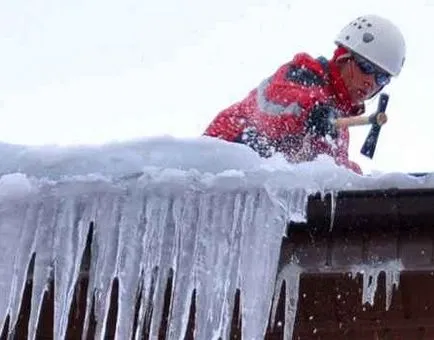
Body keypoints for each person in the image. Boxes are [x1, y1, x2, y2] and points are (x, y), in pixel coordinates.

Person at [203, 14, 406, 174]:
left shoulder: (337, 123)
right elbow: (273, 105)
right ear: (344, 57)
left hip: (253, 192)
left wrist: (352, 175)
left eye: (381, 78)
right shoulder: (301, 74)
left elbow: (323, 169)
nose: (370, 82)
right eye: (366, 67)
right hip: (213, 168)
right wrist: (312, 112)